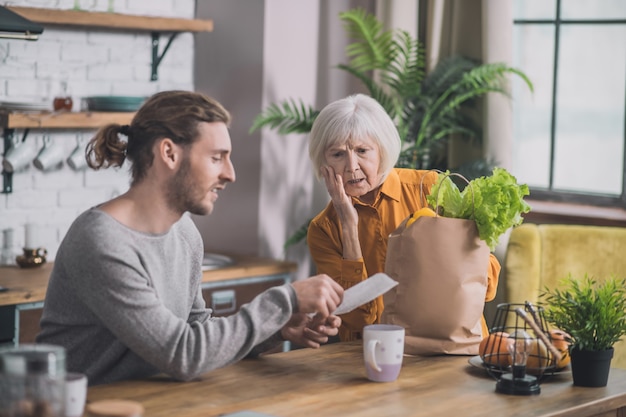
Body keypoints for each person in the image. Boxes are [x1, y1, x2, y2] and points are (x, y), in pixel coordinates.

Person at [36, 90, 344, 386]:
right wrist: (285, 300)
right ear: (169, 153)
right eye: (216, 157)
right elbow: (183, 354)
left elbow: (198, 333)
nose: (230, 173)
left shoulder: (184, 232)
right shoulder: (102, 241)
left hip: (154, 403)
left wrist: (277, 327)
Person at [306, 93, 500, 342]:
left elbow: (489, 279)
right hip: (372, 354)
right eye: (338, 155)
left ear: (382, 150)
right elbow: (358, 318)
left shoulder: (429, 188)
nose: (351, 166)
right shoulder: (323, 229)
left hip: (452, 345)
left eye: (362, 151)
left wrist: (447, 258)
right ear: (324, 163)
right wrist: (348, 224)